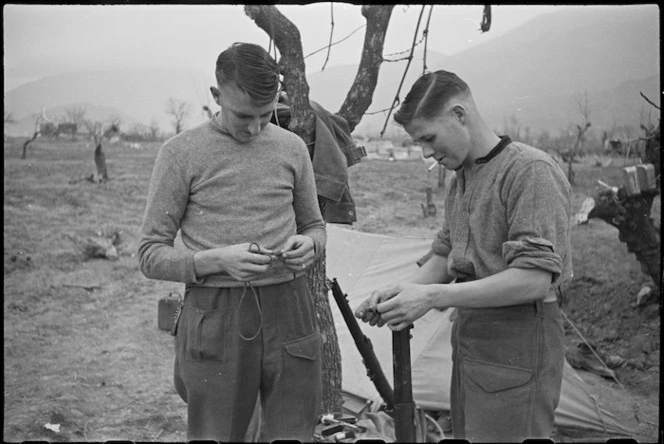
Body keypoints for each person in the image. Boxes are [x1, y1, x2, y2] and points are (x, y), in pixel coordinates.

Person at [355, 70, 572, 442]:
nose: (425, 151)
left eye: (428, 137)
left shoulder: (529, 171)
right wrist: (400, 292)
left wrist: (431, 297)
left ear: (459, 115)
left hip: (518, 339)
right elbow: (445, 255)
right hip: (472, 338)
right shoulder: (462, 180)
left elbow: (534, 279)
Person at [138, 42, 326, 442]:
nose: (256, 128)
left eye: (266, 114)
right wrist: (216, 260)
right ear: (216, 96)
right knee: (216, 435)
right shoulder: (180, 154)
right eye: (243, 115)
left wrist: (310, 245)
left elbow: (315, 226)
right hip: (216, 312)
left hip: (290, 309)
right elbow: (150, 254)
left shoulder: (292, 148)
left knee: (293, 431)